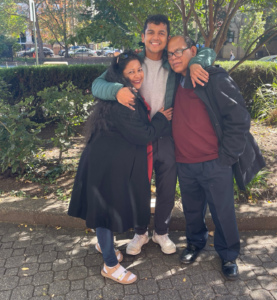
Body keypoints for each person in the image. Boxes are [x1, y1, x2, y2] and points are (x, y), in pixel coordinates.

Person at [91, 14, 216, 256]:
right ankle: (141, 233)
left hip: (167, 135)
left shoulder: (174, 62)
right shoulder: (132, 61)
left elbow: (208, 51)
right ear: (143, 36)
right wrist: (117, 90)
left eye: (161, 33)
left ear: (167, 37)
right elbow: (97, 84)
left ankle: (162, 231)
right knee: (139, 187)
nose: (156, 38)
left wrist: (197, 62)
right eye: (151, 32)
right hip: (138, 136)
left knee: (168, 187)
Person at [68, 51, 172, 284]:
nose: (137, 75)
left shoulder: (119, 94)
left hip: (105, 160)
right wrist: (161, 118)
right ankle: (110, 265)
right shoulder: (124, 101)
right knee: (104, 213)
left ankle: (104, 246)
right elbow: (143, 134)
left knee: (103, 207)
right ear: (120, 76)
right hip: (105, 163)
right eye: (131, 72)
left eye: (139, 69)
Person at [167, 36, 265, 280]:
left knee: (223, 212)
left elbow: (239, 118)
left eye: (178, 52)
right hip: (184, 162)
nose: (173, 58)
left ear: (192, 51)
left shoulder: (213, 78)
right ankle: (194, 243)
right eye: (169, 54)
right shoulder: (175, 80)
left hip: (214, 162)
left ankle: (229, 254)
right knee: (191, 210)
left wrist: (227, 157)